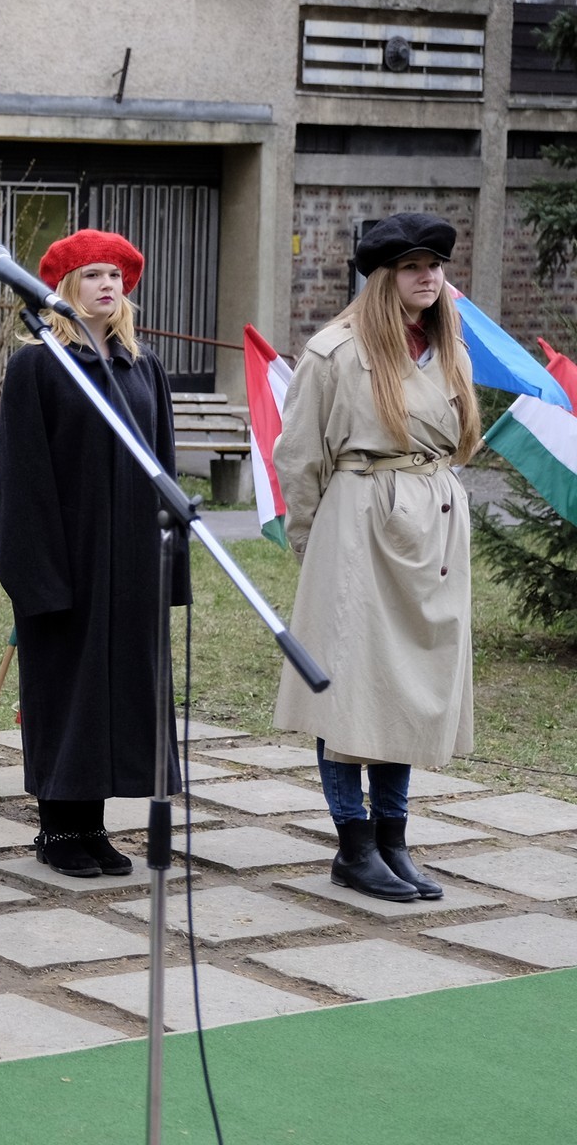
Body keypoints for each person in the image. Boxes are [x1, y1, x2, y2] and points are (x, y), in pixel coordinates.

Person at [273, 213, 478, 902]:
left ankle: (394, 839)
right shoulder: (335, 351)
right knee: (349, 689)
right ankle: (353, 846)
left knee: (407, 687)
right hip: (358, 527)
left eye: (435, 265)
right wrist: (314, 543)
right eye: (413, 266)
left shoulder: (448, 347)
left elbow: (459, 438)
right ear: (382, 277)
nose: (429, 277)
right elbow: (299, 456)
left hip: (433, 530)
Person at [0, 229, 189, 878]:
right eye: (94, 274)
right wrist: (38, 579)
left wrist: (169, 570)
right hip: (67, 563)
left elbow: (165, 468)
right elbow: (21, 479)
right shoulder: (39, 365)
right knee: (68, 694)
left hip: (132, 564)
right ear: (66, 287)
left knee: (119, 698)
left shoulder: (142, 366)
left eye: (116, 276)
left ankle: (93, 827)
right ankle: (58, 830)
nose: (108, 285)